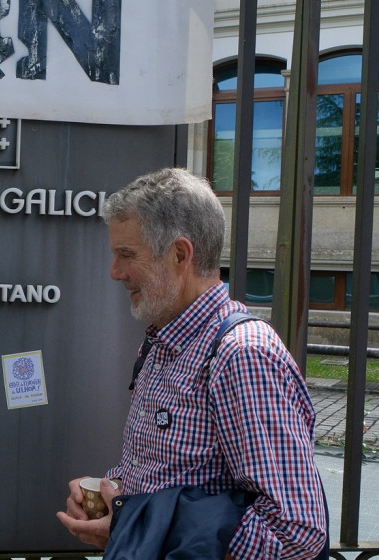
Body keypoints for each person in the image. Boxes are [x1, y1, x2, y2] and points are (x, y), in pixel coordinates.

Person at [55, 168, 327, 559]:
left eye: (126, 255)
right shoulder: (163, 342)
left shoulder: (242, 355)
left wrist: (134, 524)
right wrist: (110, 490)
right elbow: (174, 474)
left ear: (180, 255)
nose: (115, 272)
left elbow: (294, 538)